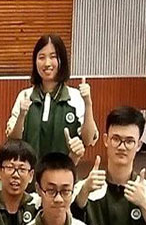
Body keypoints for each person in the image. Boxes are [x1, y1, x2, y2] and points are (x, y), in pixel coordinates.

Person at [6, 33, 98, 161]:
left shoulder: (75, 97)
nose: (47, 63)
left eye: (53, 57)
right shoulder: (25, 96)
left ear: (62, 60)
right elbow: (13, 140)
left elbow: (88, 140)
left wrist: (88, 103)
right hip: (29, 172)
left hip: (62, 172)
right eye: (41, 57)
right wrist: (22, 115)